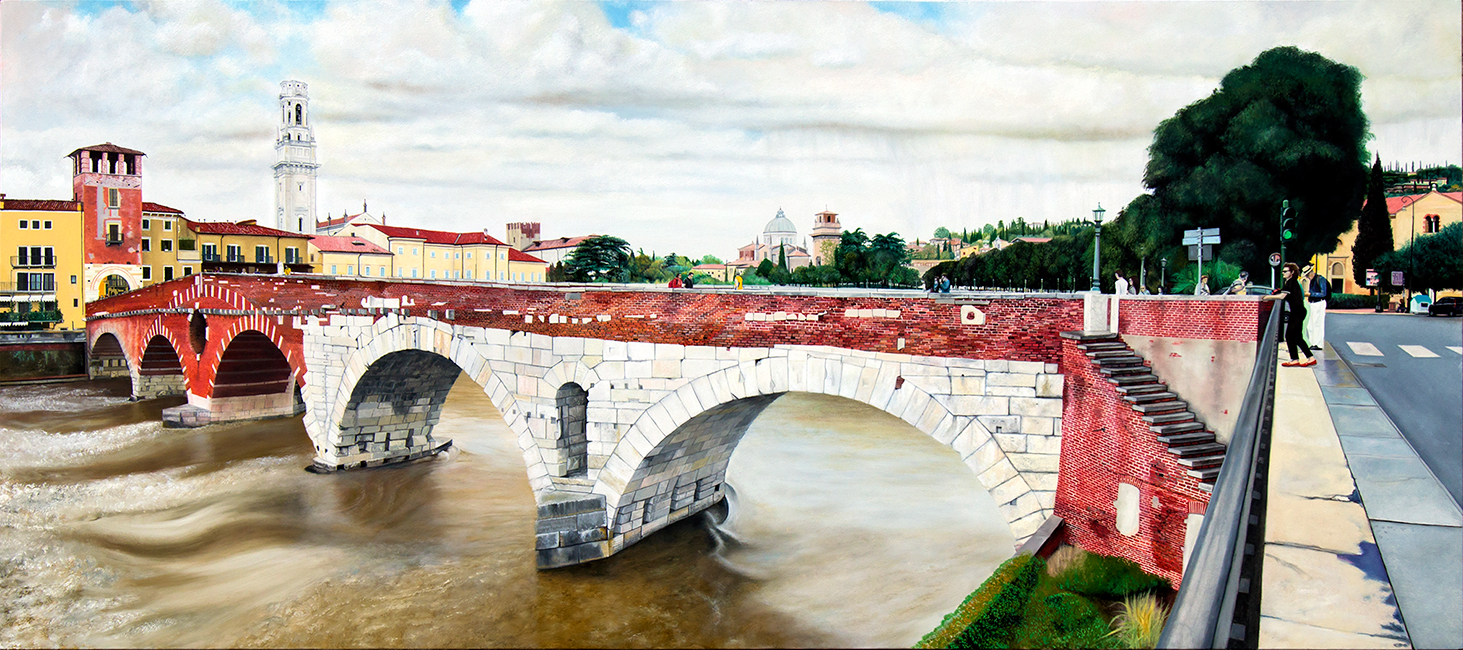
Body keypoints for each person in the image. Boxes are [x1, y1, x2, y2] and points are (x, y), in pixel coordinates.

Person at [1263, 262, 1315, 367]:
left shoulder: (1291, 282)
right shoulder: (1292, 282)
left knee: (1289, 335)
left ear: (1292, 272)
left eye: (1285, 271)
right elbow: (1284, 294)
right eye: (1283, 271)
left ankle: (1295, 359)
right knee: (1297, 337)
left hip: (1297, 312)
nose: (1283, 273)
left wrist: (1267, 298)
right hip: (1299, 311)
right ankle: (1310, 358)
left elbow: (1282, 296)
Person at [1302, 265, 1328, 351]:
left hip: (1319, 302)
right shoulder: (1312, 281)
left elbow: (1323, 294)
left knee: (1318, 324)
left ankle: (1318, 344)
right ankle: (1312, 343)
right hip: (1312, 303)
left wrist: (1310, 294)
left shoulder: (1320, 279)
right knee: (1310, 324)